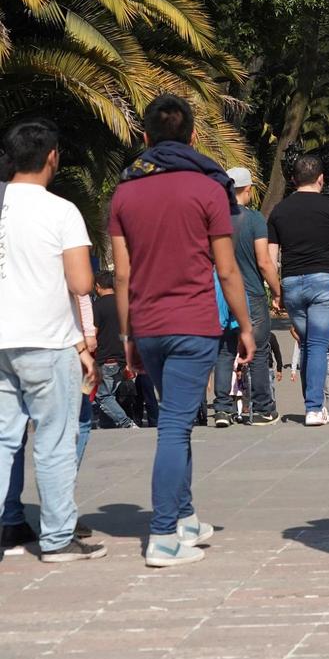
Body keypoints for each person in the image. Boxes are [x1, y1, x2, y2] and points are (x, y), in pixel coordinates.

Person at [110, 94, 254, 566]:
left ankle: (186, 517)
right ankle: (162, 536)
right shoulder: (209, 189)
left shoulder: (124, 192)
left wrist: (128, 337)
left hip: (148, 325)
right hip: (193, 323)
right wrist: (247, 327)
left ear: (146, 138)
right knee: (174, 425)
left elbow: (123, 275)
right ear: (194, 137)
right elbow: (227, 270)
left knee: (177, 421)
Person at [0, 118, 104, 562]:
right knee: (54, 441)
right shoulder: (61, 211)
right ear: (52, 157)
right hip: (48, 339)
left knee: (4, 439)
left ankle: (7, 525)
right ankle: (58, 537)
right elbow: (81, 283)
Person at [268, 154, 329, 426]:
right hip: (324, 282)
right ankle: (314, 407)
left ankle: (312, 405)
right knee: (317, 345)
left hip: (292, 285)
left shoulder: (279, 211)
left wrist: (276, 291)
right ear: (321, 179)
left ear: (292, 179)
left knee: (308, 343)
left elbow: (270, 257)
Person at [212, 167, 281, 427]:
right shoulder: (254, 220)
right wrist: (276, 291)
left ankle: (222, 409)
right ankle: (263, 407)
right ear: (248, 189)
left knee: (225, 350)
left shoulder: (214, 219)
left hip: (220, 293)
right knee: (259, 351)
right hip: (250, 293)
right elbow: (264, 262)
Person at [90, 272, 135, 429]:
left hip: (105, 358)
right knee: (111, 395)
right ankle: (107, 425)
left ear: (98, 286)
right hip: (122, 358)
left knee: (102, 396)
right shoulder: (124, 304)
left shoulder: (97, 306)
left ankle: (126, 422)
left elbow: (93, 333)